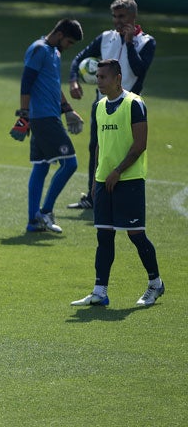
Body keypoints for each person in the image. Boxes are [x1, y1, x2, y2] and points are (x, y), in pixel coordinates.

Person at [71, 59, 164, 307]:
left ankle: (155, 284)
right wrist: (97, 179)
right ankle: (99, 292)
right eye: (97, 77)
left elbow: (140, 144)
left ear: (117, 78)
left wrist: (118, 171)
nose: (98, 81)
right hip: (104, 181)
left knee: (135, 235)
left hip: (129, 180)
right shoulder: (99, 106)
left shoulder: (135, 104)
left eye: (103, 77)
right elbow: (101, 144)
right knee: (104, 236)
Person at [67, 0, 156, 209]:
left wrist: (129, 43)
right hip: (102, 106)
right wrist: (73, 80)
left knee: (126, 151)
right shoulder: (105, 37)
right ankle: (93, 196)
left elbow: (139, 70)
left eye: (121, 16)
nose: (117, 21)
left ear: (133, 17)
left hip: (128, 109)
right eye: (114, 16)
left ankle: (121, 197)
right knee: (96, 148)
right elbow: (79, 58)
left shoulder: (146, 42)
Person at [10, 19, 85, 233]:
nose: (69, 47)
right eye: (69, 42)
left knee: (41, 166)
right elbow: (27, 82)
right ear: (60, 34)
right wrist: (24, 115)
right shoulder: (39, 50)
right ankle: (45, 211)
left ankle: (33, 222)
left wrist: (68, 109)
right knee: (70, 164)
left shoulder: (54, 53)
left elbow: (52, 85)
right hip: (43, 119)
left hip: (50, 116)